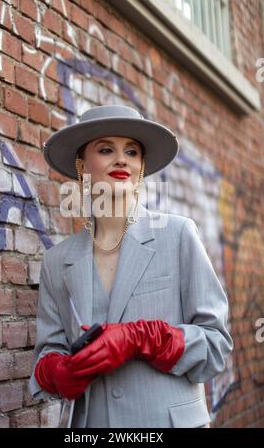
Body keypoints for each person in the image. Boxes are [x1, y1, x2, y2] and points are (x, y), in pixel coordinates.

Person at [28, 105, 233, 428]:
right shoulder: (57, 261)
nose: (122, 159)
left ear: (141, 167)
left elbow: (216, 346)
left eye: (132, 151)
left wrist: (143, 338)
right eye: (106, 149)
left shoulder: (178, 235)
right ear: (82, 166)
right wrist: (59, 372)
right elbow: (47, 354)